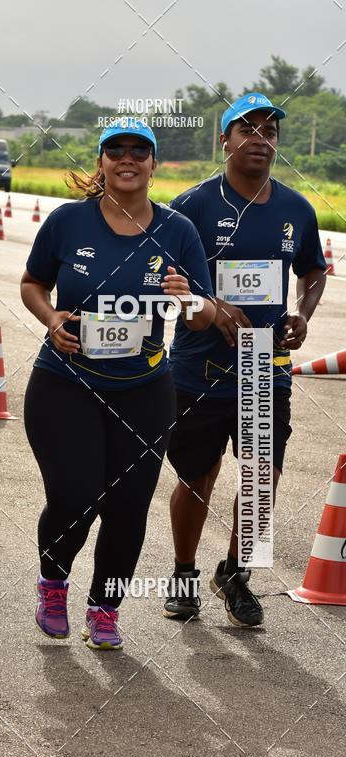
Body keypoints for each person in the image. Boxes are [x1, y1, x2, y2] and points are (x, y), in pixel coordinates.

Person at [21, 119, 216, 650]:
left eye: (139, 151)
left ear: (153, 164)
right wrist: (51, 318)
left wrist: (187, 299)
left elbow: (203, 316)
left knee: (128, 506)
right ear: (101, 161)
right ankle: (53, 585)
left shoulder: (178, 231)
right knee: (75, 496)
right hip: (66, 382)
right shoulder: (67, 222)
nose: (127, 159)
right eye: (116, 150)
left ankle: (105, 609)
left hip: (145, 389)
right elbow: (33, 283)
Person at [163, 92, 326, 627]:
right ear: (225, 140)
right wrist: (210, 306)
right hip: (199, 367)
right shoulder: (192, 206)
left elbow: (314, 270)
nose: (260, 139)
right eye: (247, 129)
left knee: (261, 477)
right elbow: (165, 278)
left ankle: (235, 575)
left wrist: (302, 312)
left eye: (269, 131)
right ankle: (184, 573)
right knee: (197, 477)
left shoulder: (296, 209)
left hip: (264, 364)